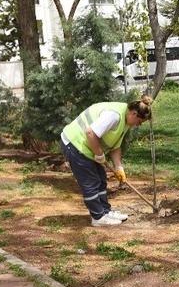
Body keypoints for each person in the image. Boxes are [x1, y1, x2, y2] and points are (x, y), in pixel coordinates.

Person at [60, 95, 153, 226]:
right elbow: (90, 132)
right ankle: (97, 217)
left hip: (88, 146)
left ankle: (105, 211)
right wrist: (99, 154)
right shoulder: (114, 116)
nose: (138, 125)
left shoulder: (125, 121)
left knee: (101, 179)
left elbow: (116, 146)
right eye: (139, 122)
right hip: (75, 143)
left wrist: (118, 167)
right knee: (91, 182)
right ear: (134, 113)